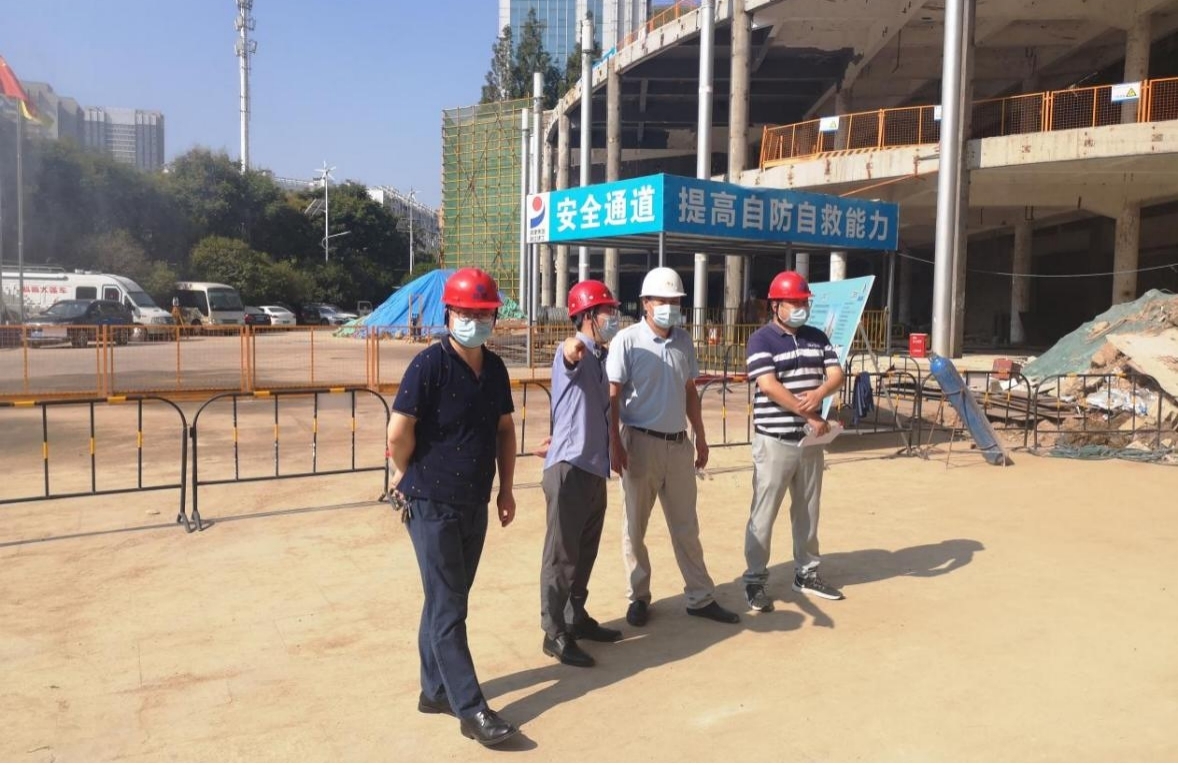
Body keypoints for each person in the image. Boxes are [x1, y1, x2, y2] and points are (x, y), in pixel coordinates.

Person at [385, 267, 520, 748]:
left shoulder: (495, 370)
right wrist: (405, 474)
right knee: (449, 608)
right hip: (432, 503)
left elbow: (505, 430)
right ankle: (471, 707)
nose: (474, 322)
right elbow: (398, 432)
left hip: (474, 502)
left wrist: (506, 490)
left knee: (448, 599)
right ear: (448, 314)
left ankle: (434, 690)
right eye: (465, 312)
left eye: (483, 314)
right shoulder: (429, 366)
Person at [606, 267, 740, 627]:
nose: (670, 307)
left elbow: (689, 390)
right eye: (662, 300)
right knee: (634, 528)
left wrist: (701, 434)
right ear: (646, 303)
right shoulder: (627, 341)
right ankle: (638, 596)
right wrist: (614, 442)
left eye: (675, 301)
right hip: (639, 445)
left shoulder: (683, 341)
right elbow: (613, 395)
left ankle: (700, 596)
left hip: (678, 445)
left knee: (686, 527)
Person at [742, 270, 847, 612]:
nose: (801, 308)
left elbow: (837, 374)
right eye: (794, 302)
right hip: (774, 440)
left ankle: (807, 572)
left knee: (808, 510)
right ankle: (755, 579)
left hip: (810, 442)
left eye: (804, 302)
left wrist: (820, 392)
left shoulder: (817, 337)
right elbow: (769, 386)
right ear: (776, 305)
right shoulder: (761, 340)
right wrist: (811, 414)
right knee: (764, 513)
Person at [539, 280, 624, 669]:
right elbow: (569, 353)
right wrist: (574, 346)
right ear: (588, 316)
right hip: (570, 468)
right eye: (607, 311)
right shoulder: (575, 352)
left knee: (584, 552)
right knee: (561, 555)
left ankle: (576, 617)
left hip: (593, 467)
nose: (613, 317)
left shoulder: (601, 358)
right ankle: (554, 632)